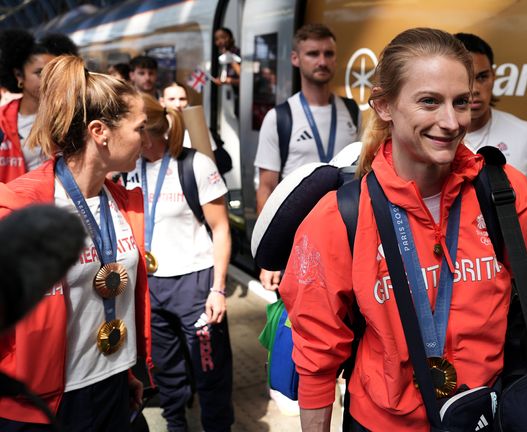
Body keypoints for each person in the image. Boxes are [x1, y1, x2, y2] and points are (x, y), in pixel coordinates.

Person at [279, 27, 527, 431]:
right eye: (429, 102)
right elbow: (318, 359)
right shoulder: (340, 219)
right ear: (384, 106)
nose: (451, 121)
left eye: (461, 102)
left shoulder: (505, 191)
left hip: (486, 414)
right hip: (383, 422)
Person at [0, 55, 152, 430]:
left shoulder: (121, 200)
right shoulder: (22, 206)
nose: (146, 141)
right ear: (100, 131)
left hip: (114, 387)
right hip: (47, 406)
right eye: (139, 129)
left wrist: (124, 369)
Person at [124, 93, 234, 431]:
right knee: (166, 371)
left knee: (210, 370)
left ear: (146, 131)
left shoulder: (195, 164)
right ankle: (176, 426)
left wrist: (218, 288)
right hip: (152, 284)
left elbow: (221, 229)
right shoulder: (129, 169)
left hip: (195, 284)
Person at [454, 33, 527, 275]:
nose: (475, 89)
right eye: (466, 78)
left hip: (514, 284)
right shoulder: (435, 139)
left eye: (482, 77)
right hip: (455, 278)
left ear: (494, 77)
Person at [254, 23, 359, 292]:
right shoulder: (280, 118)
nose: (322, 61)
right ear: (295, 59)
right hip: (297, 239)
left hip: (346, 236)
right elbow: (266, 187)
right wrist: (269, 257)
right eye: (313, 53)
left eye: (328, 54)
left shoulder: (351, 111)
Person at [0, 29, 78, 182]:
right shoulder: (2, 122)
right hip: (17, 202)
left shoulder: (70, 113)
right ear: (19, 75)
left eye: (53, 72)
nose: (49, 80)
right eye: (40, 73)